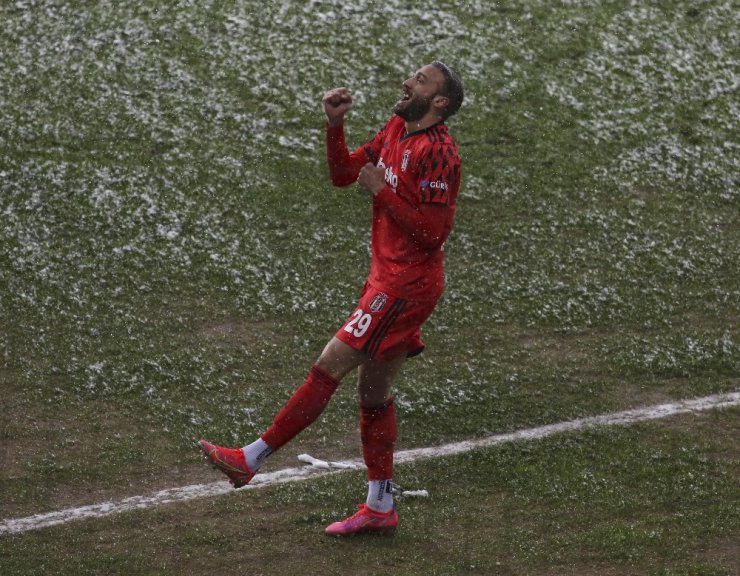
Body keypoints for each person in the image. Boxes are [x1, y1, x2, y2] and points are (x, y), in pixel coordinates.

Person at [199, 61, 464, 536]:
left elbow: (433, 232)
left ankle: (250, 459)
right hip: (388, 278)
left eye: (420, 81)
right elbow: (345, 174)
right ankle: (380, 506)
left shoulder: (439, 153)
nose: (407, 82)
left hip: (406, 287)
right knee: (373, 395)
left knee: (329, 367)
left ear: (440, 102)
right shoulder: (394, 131)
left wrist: (382, 191)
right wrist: (335, 125)